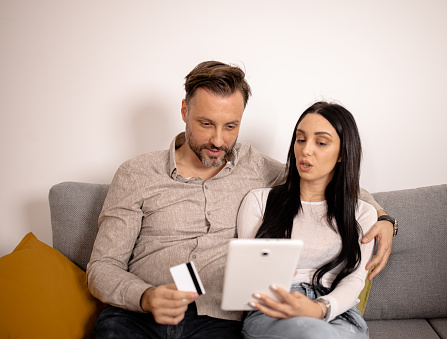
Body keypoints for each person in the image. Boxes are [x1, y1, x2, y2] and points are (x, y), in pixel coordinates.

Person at [87, 61, 396, 338]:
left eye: (231, 126)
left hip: (219, 320)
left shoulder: (256, 167)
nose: (219, 140)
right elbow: (102, 266)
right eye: (206, 124)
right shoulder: (135, 174)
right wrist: (145, 296)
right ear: (184, 111)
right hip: (138, 316)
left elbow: (324, 179)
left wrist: (381, 216)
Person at [237, 102, 377, 339]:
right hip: (276, 306)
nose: (306, 150)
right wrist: (272, 275)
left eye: (321, 143)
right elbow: (251, 277)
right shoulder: (260, 201)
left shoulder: (362, 212)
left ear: (343, 153)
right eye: (300, 139)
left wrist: (319, 308)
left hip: (337, 311)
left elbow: (354, 280)